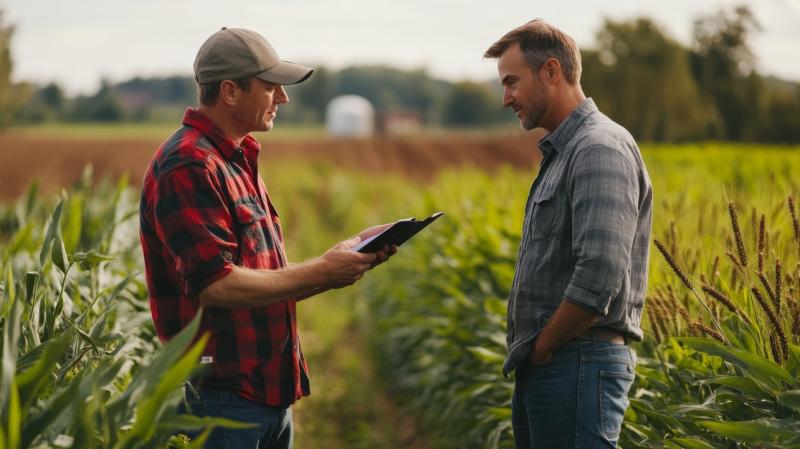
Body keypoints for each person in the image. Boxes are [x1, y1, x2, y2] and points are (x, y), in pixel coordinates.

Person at [139, 27, 396, 449]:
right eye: (271, 86)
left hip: (263, 392)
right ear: (230, 92)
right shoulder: (188, 164)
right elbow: (217, 285)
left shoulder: (235, 158)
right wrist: (322, 272)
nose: (283, 97)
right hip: (223, 398)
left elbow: (258, 280)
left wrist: (334, 264)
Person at [484, 20, 653, 448]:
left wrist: (543, 346)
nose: (506, 98)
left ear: (552, 72)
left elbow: (600, 271)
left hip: (576, 361)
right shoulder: (568, 149)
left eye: (512, 82)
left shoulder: (597, 147)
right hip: (561, 364)